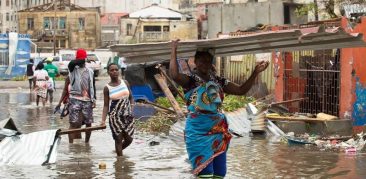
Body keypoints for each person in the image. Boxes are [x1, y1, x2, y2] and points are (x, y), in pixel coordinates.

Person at [169, 39, 269, 178]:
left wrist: (255, 72)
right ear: (195, 62)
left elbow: (241, 90)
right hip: (198, 132)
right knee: (206, 174)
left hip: (218, 131)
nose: (205, 64)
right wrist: (173, 49)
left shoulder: (218, 81)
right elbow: (174, 75)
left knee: (220, 174)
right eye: (202, 61)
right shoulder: (190, 80)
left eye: (208, 61)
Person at [56, 49, 96, 143]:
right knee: (73, 123)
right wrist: (85, 59)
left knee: (88, 123)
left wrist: (93, 100)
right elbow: (72, 62)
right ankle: (71, 146)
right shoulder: (73, 69)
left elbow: (92, 86)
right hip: (75, 99)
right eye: (80, 60)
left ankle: (87, 144)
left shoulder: (90, 71)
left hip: (88, 100)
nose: (82, 62)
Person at [101, 63, 134, 156]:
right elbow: (106, 105)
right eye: (112, 70)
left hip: (128, 115)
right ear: (108, 72)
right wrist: (103, 120)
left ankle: (117, 152)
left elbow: (131, 98)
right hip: (114, 116)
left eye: (116, 69)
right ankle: (119, 163)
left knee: (129, 139)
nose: (115, 71)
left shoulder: (125, 82)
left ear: (119, 71)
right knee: (118, 139)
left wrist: (131, 109)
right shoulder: (107, 88)